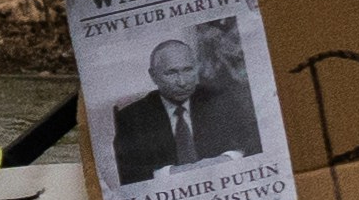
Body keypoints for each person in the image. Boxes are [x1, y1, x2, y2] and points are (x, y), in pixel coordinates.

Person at [111, 16, 264, 190]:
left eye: (188, 70)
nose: (182, 82)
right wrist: (174, 173)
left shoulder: (222, 99)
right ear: (153, 76)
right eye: (171, 73)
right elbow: (128, 175)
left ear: (196, 67)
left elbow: (256, 144)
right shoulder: (131, 117)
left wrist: (228, 158)